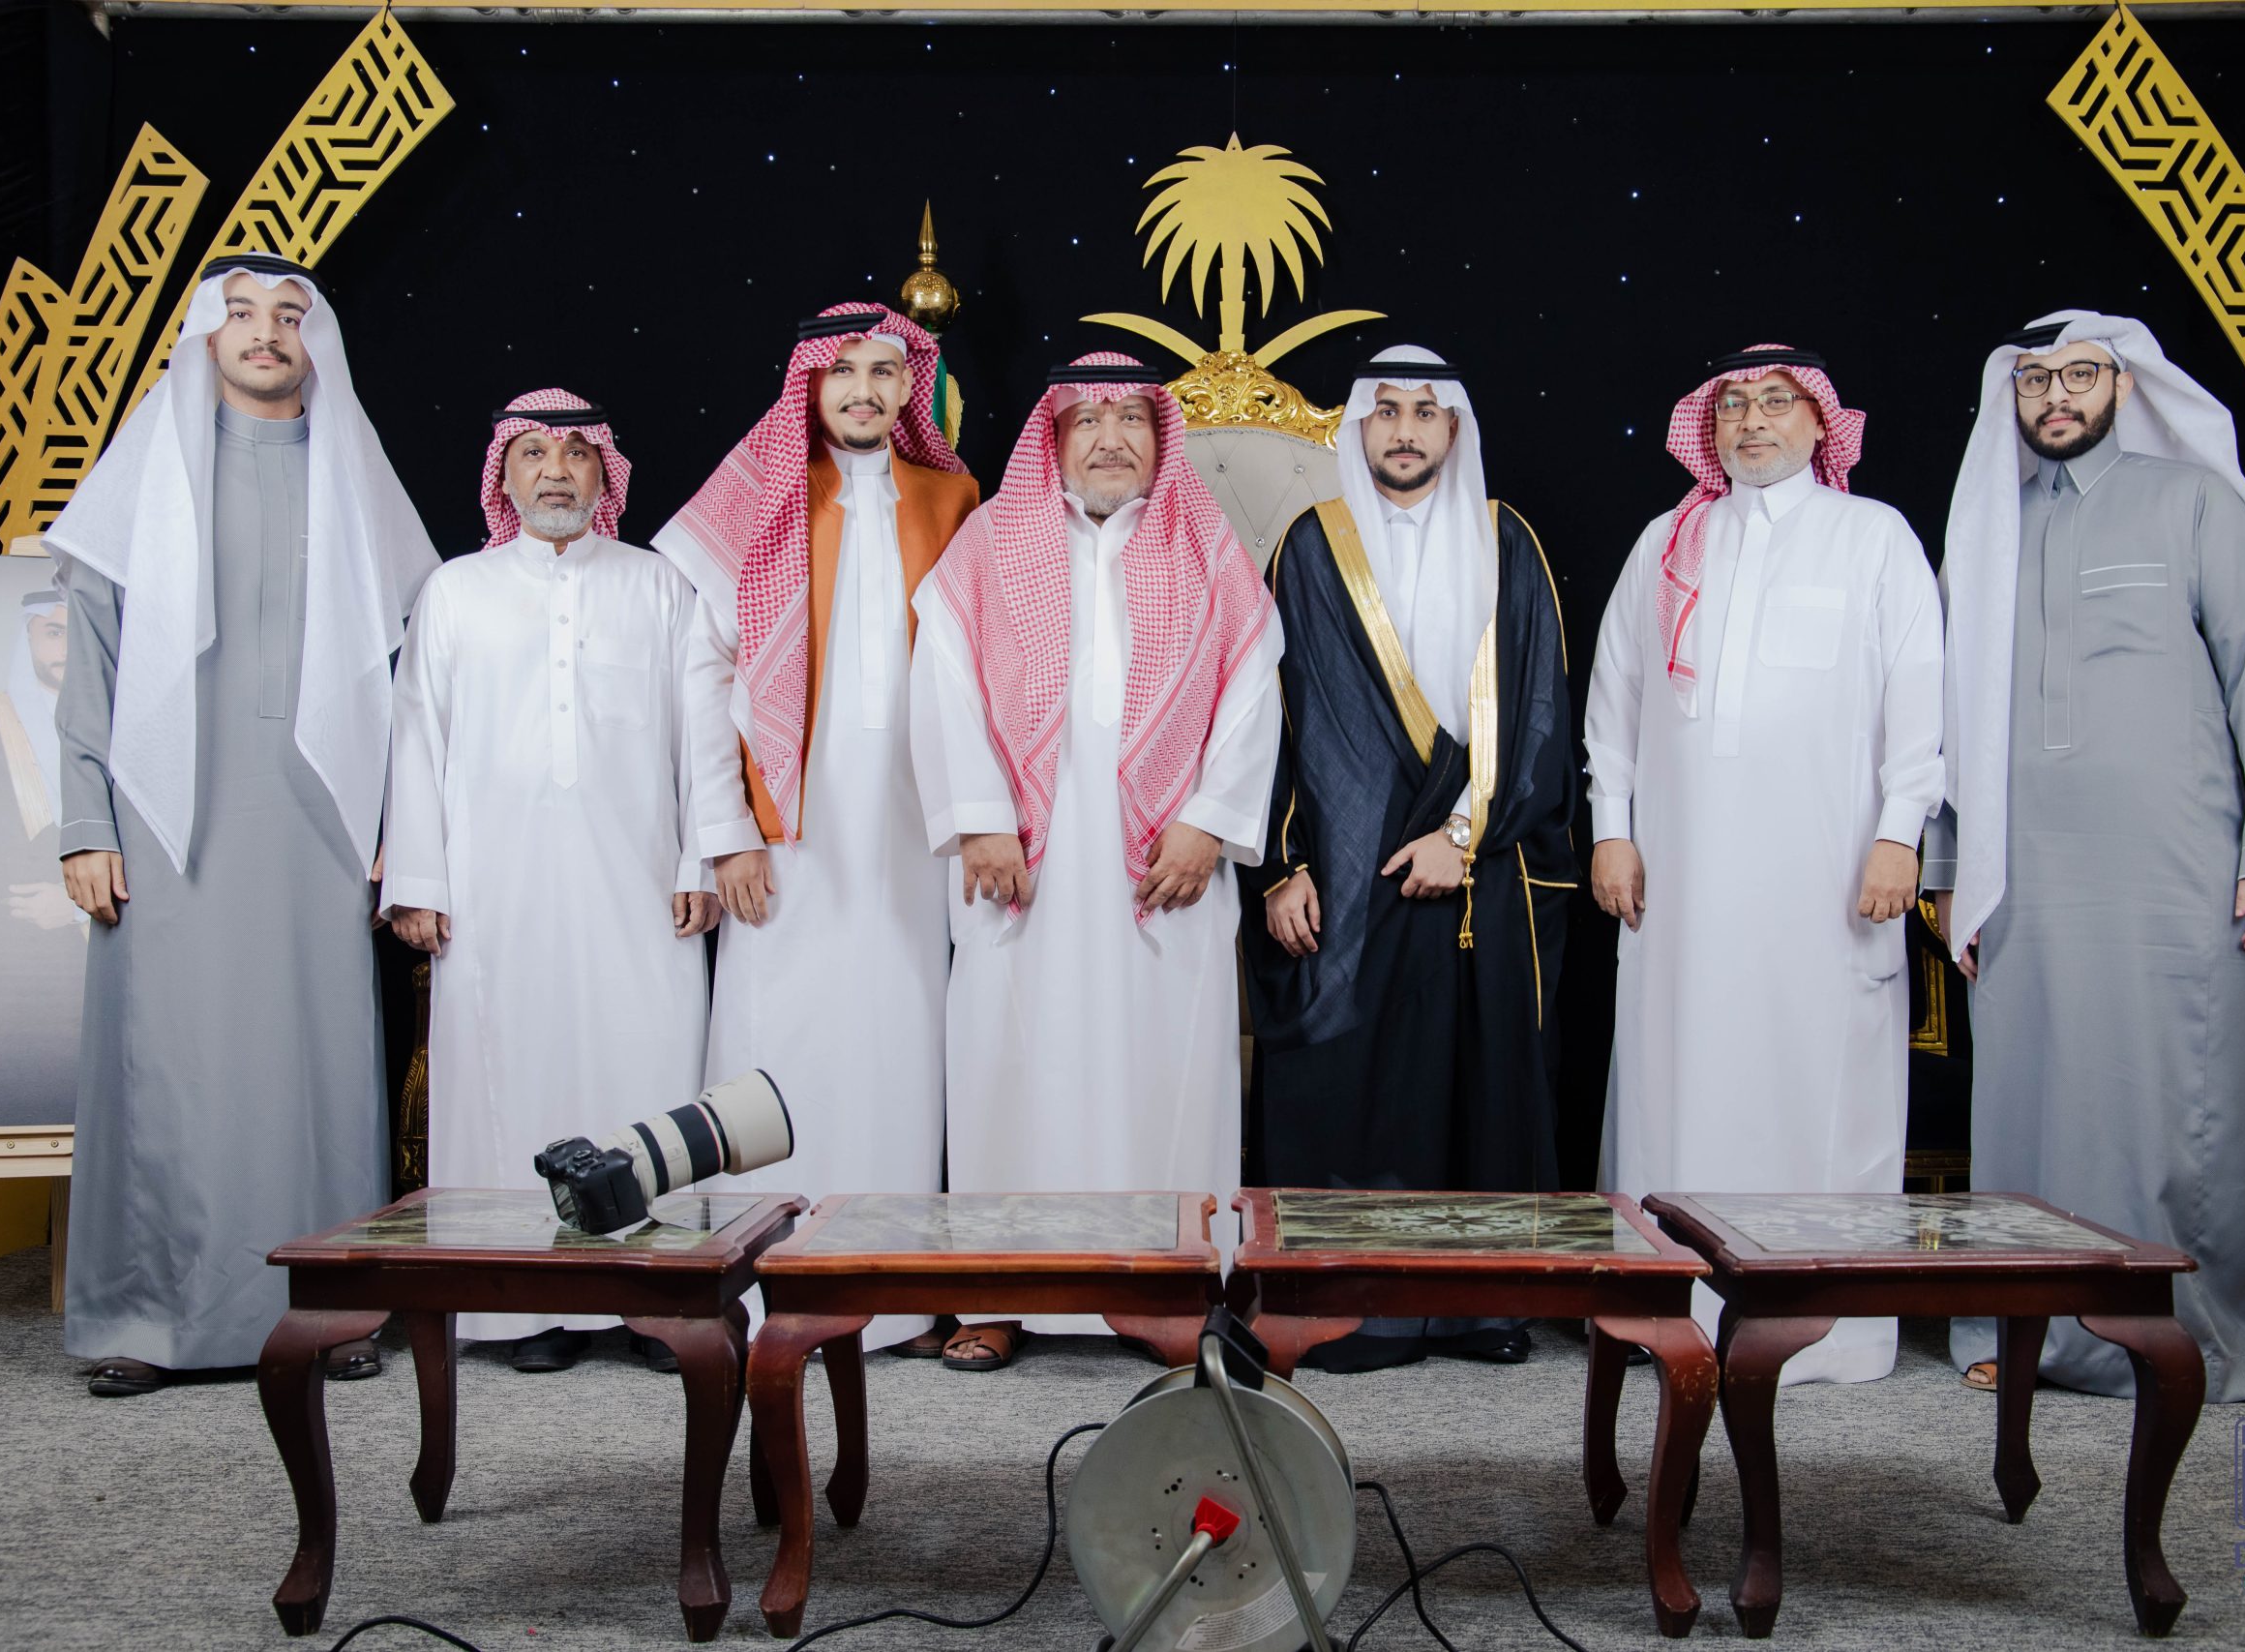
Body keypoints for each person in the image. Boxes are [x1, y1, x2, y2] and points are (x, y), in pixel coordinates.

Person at [46, 255, 437, 1397]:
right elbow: (92, 663)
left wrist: (403, 830)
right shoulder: (142, 476)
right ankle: (150, 1318)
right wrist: (85, 820)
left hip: (322, 819)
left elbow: (409, 681)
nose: (266, 333)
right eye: (240, 314)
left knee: (318, 1067)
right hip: (168, 814)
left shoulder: (356, 482)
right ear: (203, 338)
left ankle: (332, 1309)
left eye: (289, 316)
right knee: (169, 1061)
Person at [1931, 312, 2245, 1406]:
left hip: (2178, 853)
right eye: (2035, 380)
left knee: (2197, 1094)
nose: (2056, 396)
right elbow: (1950, 714)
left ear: (2125, 387)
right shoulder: (1986, 530)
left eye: (2080, 375)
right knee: (2029, 1095)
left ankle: (2243, 1337)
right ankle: (2022, 1328)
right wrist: (1949, 871)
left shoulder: (2194, 500)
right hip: (2021, 866)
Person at [909, 352, 1282, 1370]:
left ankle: (1170, 1294)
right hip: (1021, 871)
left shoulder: (1206, 547)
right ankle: (996, 1291)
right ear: (1055, 439)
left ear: (1161, 438)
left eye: (1131, 420)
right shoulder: (991, 543)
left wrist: (1208, 822)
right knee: (1006, 1066)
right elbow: (942, 676)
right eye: (1087, 420)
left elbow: (1255, 686)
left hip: (1162, 873)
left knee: (1166, 1075)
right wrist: (981, 819)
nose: (1110, 439)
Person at [1589, 345, 1943, 1386]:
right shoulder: (1667, 541)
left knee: (1821, 1083)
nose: (1751, 421)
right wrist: (1610, 825)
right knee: (1678, 1080)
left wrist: (1901, 830)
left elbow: (1920, 694)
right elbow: (1614, 696)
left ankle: (1830, 1328)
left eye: (1775, 402)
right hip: (1680, 885)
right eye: (1733, 405)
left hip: (1827, 879)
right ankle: (1674, 1312)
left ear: (1820, 422)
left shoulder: (1873, 537)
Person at [1242, 346, 1576, 1370]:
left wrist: (1464, 834)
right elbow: (1271, 716)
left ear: (1454, 429)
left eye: (1425, 413)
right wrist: (1284, 865)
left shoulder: (1506, 541)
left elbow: (1540, 712)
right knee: (1347, 1077)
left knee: (1475, 1074)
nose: (1403, 430)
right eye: (1384, 411)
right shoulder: (1311, 543)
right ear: (1359, 427)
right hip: (1344, 865)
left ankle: (1475, 1306)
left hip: (1479, 859)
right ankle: (1345, 1307)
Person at [654, 306, 977, 1358]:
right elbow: (705, 679)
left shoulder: (954, 498)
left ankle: (895, 1292)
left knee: (902, 1044)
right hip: (784, 828)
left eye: (885, 371)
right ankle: (762, 1286)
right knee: (776, 1042)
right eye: (843, 371)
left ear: (910, 386)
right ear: (809, 384)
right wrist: (726, 833)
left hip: (912, 832)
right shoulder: (757, 499)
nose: (864, 391)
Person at [384, 390, 724, 1374]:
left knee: (646, 1070)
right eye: (532, 453)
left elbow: (703, 736)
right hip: (495, 891)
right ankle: (517, 1303)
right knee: (508, 1077)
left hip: (639, 888)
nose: (556, 470)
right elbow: (417, 737)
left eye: (576, 452)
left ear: (604, 472)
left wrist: (700, 856)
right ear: (503, 475)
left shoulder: (659, 584)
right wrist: (419, 878)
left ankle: (649, 1298)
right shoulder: (455, 591)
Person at [0, 589, 85, 1118]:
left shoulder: (124, 728)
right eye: (53, 632)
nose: (67, 647)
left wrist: (77, 907)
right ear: (28, 636)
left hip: (102, 971)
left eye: (78, 633)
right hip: (3, 977)